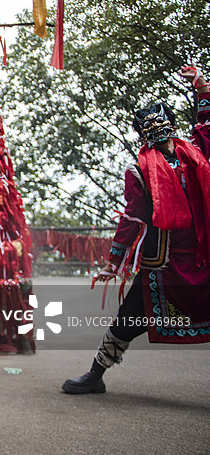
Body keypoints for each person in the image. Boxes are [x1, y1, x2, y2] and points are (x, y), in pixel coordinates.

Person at [63, 66, 210, 394]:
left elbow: (207, 125)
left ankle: (95, 373)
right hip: (165, 263)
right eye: (152, 127)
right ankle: (95, 374)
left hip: (203, 256)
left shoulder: (197, 156)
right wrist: (113, 263)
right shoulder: (140, 171)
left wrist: (201, 86)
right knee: (129, 318)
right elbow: (132, 219)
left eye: (161, 124)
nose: (159, 132)